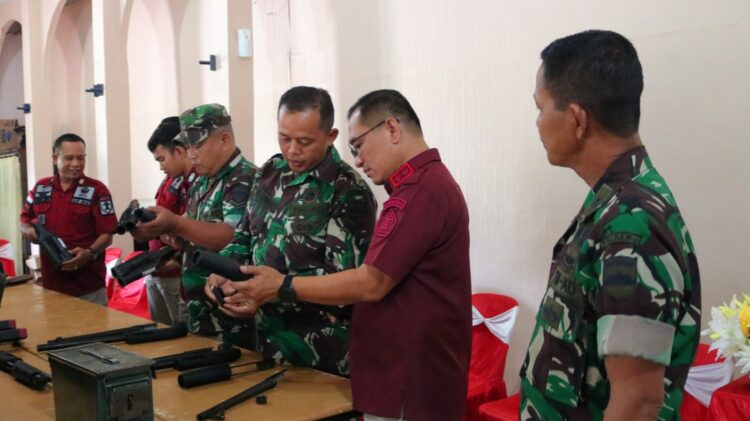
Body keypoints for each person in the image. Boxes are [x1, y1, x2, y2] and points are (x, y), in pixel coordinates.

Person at [210, 89, 471, 421]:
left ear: (391, 129)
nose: (358, 159)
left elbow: (369, 282)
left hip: (404, 376)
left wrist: (281, 286)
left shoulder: (421, 192)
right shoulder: (415, 188)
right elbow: (246, 235)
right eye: (284, 138)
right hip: (388, 372)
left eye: (358, 146)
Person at [520, 30, 701, 420]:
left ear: (576, 119)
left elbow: (638, 400)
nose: (536, 123)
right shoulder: (614, 202)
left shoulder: (632, 225)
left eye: (540, 107)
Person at [209, 86, 377, 376]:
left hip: (321, 353)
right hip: (265, 341)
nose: (292, 150)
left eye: (305, 141)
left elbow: (343, 284)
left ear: (330, 136)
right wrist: (226, 271)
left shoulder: (347, 190)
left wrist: (270, 291)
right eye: (284, 138)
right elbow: (245, 235)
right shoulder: (269, 173)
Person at [134, 104, 257, 348]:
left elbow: (229, 235)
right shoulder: (203, 182)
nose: (191, 154)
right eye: (187, 146)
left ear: (224, 139)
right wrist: (172, 234)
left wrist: (176, 222)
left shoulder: (243, 178)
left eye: (197, 145)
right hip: (197, 303)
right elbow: (197, 233)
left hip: (228, 310)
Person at [20, 133, 117, 305]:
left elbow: (107, 234)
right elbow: (24, 220)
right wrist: (28, 231)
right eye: (69, 158)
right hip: (52, 287)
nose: (76, 164)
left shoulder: (97, 190)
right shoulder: (40, 188)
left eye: (81, 158)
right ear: (55, 158)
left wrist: (90, 253)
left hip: (89, 287)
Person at [143, 116, 197, 325]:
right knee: (161, 333)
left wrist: (175, 260)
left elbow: (191, 230)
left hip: (178, 271)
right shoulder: (171, 180)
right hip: (157, 269)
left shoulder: (195, 184)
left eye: (162, 159)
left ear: (180, 151)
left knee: (183, 335)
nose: (160, 166)